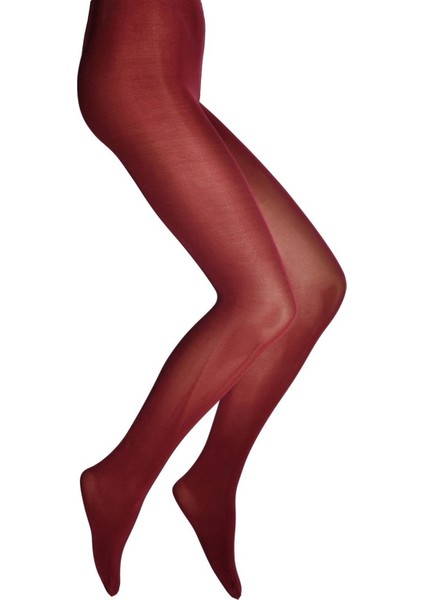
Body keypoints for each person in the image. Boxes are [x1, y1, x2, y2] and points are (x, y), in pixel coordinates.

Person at [76, 0, 347, 597]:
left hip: (174, 79)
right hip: (137, 74)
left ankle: (213, 481)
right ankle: (118, 479)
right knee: (260, 301)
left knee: (315, 287)